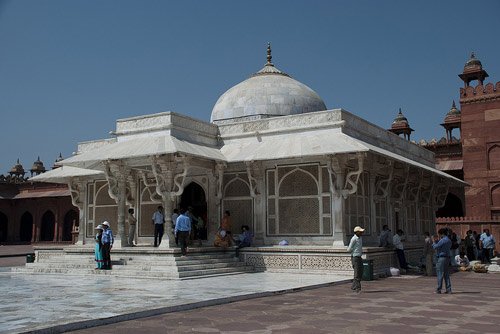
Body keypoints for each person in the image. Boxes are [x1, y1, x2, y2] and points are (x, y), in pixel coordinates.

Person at [432, 228, 452, 294]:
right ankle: (449, 289)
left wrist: (434, 242)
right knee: (446, 274)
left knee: (440, 273)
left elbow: (435, 247)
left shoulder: (442, 240)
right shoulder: (449, 240)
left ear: (442, 234)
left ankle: (439, 289)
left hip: (442, 258)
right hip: (447, 258)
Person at [347, 226, 364, 294]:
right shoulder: (354, 239)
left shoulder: (360, 238)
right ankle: (358, 287)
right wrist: (353, 251)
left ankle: (353, 286)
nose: (361, 233)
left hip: (359, 257)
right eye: (360, 232)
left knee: (360, 271)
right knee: (357, 272)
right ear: (357, 232)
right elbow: (349, 248)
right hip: (355, 257)